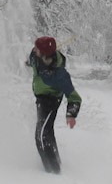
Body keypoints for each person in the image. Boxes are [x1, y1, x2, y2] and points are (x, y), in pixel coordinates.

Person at [27, 36, 82, 174]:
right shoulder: (36, 57)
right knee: (47, 132)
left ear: (45, 54)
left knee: (41, 135)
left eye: (37, 48)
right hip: (40, 99)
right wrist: (28, 61)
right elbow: (32, 59)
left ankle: (52, 172)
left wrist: (71, 114)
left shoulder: (59, 75)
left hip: (51, 101)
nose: (34, 50)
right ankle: (56, 163)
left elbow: (75, 97)